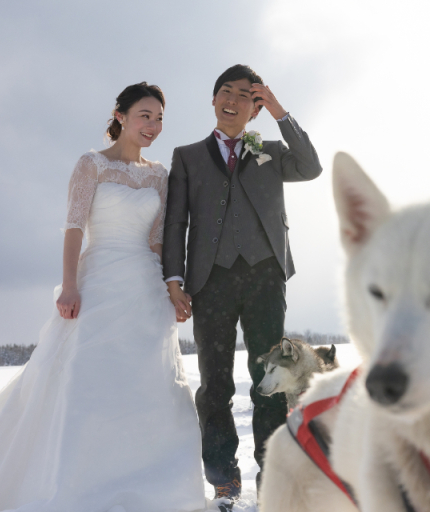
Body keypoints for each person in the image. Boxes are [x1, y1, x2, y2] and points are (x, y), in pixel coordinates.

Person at [0, 83, 217, 512]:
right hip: (98, 282)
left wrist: (170, 291)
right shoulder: (91, 165)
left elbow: (158, 241)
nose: (152, 126)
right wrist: (69, 285)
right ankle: (75, 485)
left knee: (149, 387)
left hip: (144, 289)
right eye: (144, 115)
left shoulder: (159, 174)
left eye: (159, 119)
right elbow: (74, 228)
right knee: (89, 381)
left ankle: (154, 486)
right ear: (120, 115)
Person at [162, 64, 323, 504]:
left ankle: (273, 475)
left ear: (255, 110)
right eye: (225, 92)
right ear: (213, 100)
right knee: (215, 383)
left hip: (264, 276)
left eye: (245, 97)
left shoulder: (270, 149)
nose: (233, 100)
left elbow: (311, 167)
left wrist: (278, 110)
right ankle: (223, 477)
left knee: (269, 378)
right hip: (209, 280)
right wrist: (174, 278)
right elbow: (176, 221)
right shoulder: (187, 156)